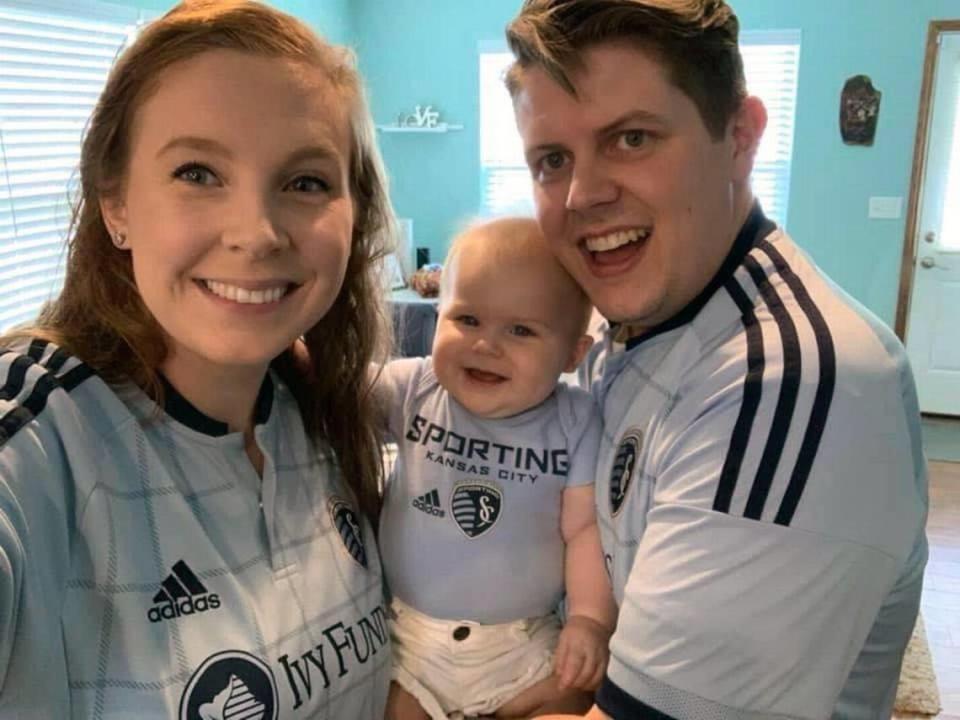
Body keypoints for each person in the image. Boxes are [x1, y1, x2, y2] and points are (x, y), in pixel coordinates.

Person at [504, 1, 929, 719]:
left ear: (739, 136)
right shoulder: (646, 324)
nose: (583, 195)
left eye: (631, 139)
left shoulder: (792, 382)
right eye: (553, 160)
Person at [0, 1, 396, 717]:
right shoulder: (39, 438)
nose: (257, 233)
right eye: (197, 172)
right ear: (116, 204)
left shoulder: (318, 411)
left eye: (305, 181)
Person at [378, 217, 617, 720]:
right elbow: (329, 390)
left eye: (521, 330)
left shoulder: (575, 419)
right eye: (467, 320)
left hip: (523, 643)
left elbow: (583, 529)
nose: (486, 344)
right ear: (437, 315)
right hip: (411, 641)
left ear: (573, 353)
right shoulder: (416, 388)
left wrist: (591, 621)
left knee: (573, 696)